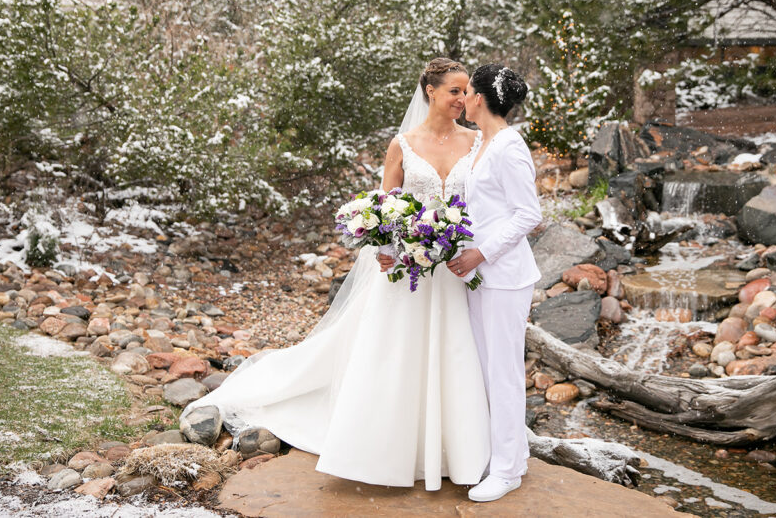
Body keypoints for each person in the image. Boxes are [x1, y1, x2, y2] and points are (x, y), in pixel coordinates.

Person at [180, 58, 490, 491]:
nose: (462, 99)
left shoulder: (477, 143)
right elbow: (387, 205)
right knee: (394, 354)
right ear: (430, 91)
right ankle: (384, 451)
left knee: (453, 353)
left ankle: (453, 450)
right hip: (406, 268)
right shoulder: (404, 143)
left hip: (454, 270)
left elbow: (486, 202)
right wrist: (386, 248)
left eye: (466, 91)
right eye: (454, 91)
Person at [446, 64, 541, 503]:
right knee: (484, 369)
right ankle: (506, 457)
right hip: (476, 274)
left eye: (465, 92)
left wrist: (480, 253)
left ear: (479, 98)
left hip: (505, 277)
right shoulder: (482, 143)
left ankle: (507, 471)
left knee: (504, 373)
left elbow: (528, 214)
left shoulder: (509, 146)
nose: (461, 99)